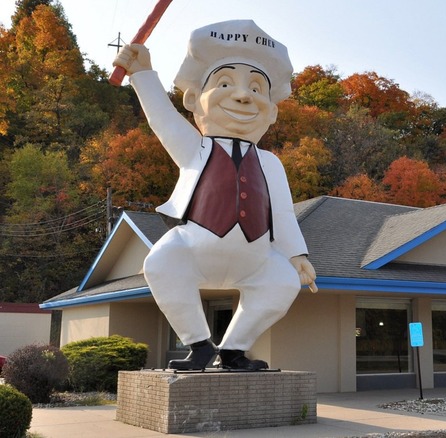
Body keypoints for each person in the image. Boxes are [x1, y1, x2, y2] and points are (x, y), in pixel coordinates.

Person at [113, 20, 317, 371]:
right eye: (225, 83)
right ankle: (199, 344)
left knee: (282, 282)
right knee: (161, 263)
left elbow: (282, 213)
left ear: (271, 110)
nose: (243, 95)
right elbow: (163, 119)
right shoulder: (196, 148)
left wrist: (296, 254)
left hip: (255, 255)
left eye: (256, 88)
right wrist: (142, 73)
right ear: (194, 99)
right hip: (196, 247)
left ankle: (234, 350)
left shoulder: (270, 163)